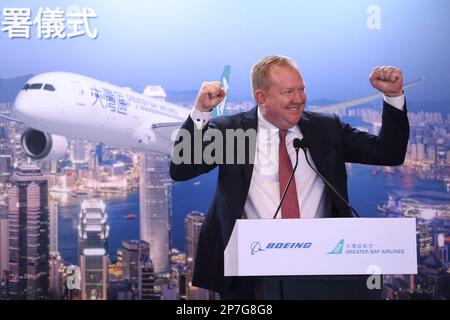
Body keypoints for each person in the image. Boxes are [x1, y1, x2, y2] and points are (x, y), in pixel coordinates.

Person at [170, 55, 409, 299]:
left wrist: (392, 97)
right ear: (261, 97)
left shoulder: (326, 128)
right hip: (248, 274)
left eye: (301, 89)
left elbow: (388, 153)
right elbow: (181, 170)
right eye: (288, 92)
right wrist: (200, 112)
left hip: (322, 268)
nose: (299, 99)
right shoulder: (232, 132)